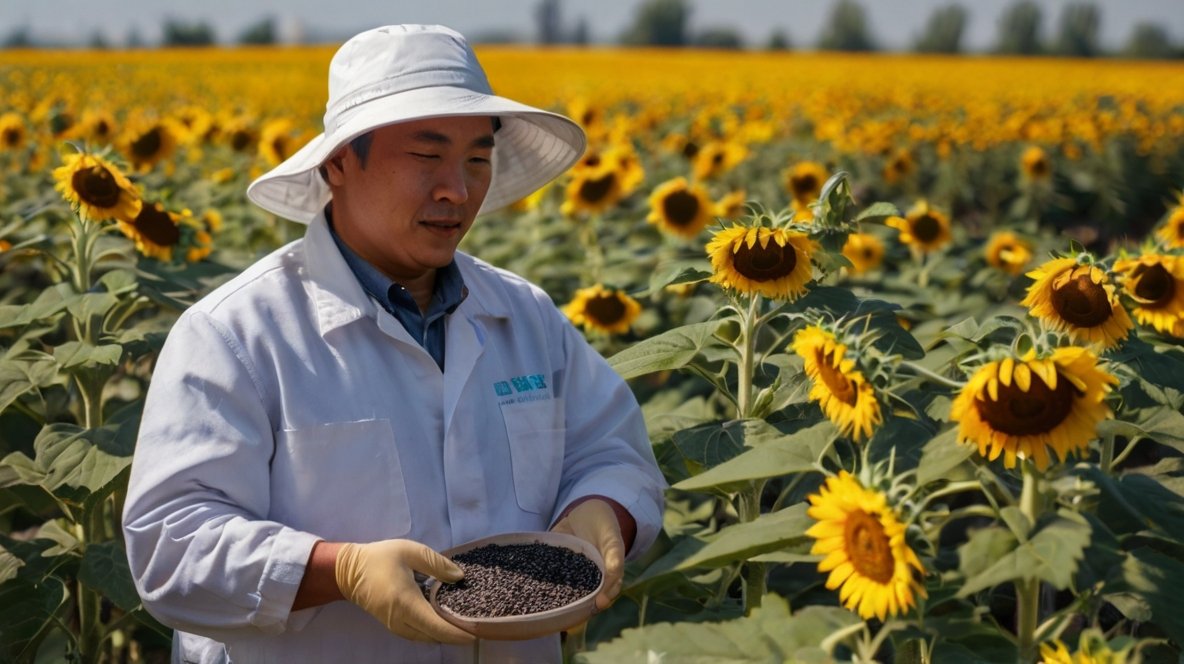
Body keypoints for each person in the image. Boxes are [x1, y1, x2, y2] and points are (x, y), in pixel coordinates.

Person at [122, 24, 666, 663]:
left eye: (477, 159)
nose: (456, 191)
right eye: (426, 156)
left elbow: (610, 450)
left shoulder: (525, 316)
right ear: (339, 163)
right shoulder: (238, 333)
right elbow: (170, 545)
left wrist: (603, 510)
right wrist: (338, 570)